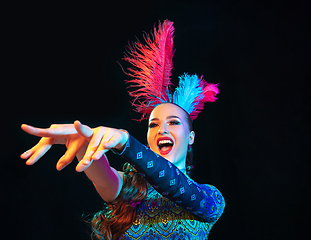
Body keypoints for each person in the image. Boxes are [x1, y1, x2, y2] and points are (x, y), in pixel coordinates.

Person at [21, 20, 225, 239]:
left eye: (173, 122)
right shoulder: (129, 190)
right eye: (153, 124)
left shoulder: (210, 199)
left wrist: (125, 142)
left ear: (191, 137)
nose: (162, 130)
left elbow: (177, 185)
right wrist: (84, 145)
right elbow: (103, 177)